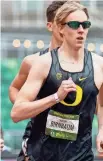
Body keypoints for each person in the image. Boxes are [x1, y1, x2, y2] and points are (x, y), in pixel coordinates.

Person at [11, 1, 103, 161]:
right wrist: (55, 98)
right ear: (60, 28)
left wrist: (101, 132)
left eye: (85, 25)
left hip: (81, 155)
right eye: (74, 25)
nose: (81, 30)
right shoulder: (42, 63)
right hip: (42, 154)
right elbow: (16, 113)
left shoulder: (102, 66)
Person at [9, 1, 67, 160]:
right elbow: (13, 89)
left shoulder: (87, 65)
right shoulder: (32, 61)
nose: (67, 28)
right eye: (62, 23)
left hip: (71, 139)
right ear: (50, 26)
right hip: (37, 138)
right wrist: (31, 108)